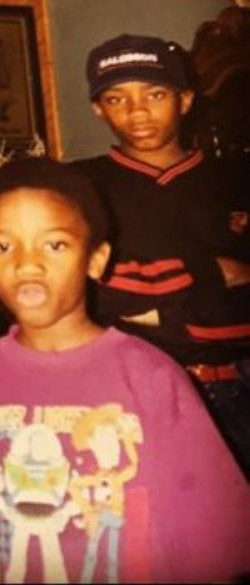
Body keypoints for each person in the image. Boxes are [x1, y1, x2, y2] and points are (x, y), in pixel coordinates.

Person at [0, 157, 250, 583]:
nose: (28, 264)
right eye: (3, 246)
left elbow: (208, 557)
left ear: (96, 260)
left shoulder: (152, 377)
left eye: (55, 244)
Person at [71, 34, 250, 480]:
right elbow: (82, 291)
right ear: (98, 108)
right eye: (116, 98)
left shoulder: (236, 177)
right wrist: (210, 274)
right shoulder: (79, 187)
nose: (136, 113)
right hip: (135, 395)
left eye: (155, 94)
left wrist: (152, 303)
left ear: (185, 99)